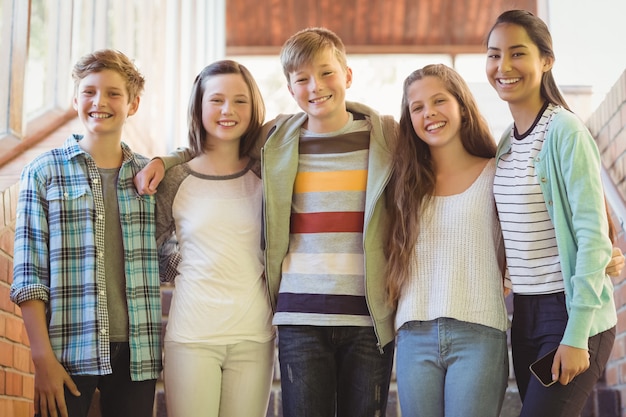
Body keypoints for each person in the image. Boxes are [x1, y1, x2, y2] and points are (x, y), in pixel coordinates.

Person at [134, 27, 398, 417]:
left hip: (347, 318)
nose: (316, 87)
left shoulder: (378, 138)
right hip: (288, 316)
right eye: (302, 79)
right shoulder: (271, 144)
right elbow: (211, 147)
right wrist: (165, 161)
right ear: (290, 89)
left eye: (326, 73)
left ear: (347, 75)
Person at [10, 49, 161, 417]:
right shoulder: (42, 172)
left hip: (138, 354)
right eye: (89, 91)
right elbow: (28, 276)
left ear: (133, 104)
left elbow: (171, 255)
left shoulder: (149, 178)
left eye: (113, 93)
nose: (100, 102)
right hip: (67, 350)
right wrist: (41, 357)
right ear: (75, 99)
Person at [486, 9, 618, 417]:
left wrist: (577, 334)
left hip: (572, 313)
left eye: (517, 53)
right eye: (494, 55)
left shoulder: (565, 131)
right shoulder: (506, 142)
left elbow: (593, 236)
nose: (503, 66)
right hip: (525, 314)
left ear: (546, 61)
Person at [386, 63, 509, 417]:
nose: (429, 113)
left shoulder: (496, 172)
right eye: (417, 107)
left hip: (480, 334)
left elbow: (538, 225)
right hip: (414, 336)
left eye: (439, 101)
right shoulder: (403, 185)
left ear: (462, 106)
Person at [155, 60, 275, 417]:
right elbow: (148, 249)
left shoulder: (267, 173)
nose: (228, 110)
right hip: (191, 337)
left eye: (240, 101)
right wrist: (182, 268)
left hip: (254, 337)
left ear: (253, 108)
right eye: (217, 100)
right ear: (199, 106)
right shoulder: (174, 177)